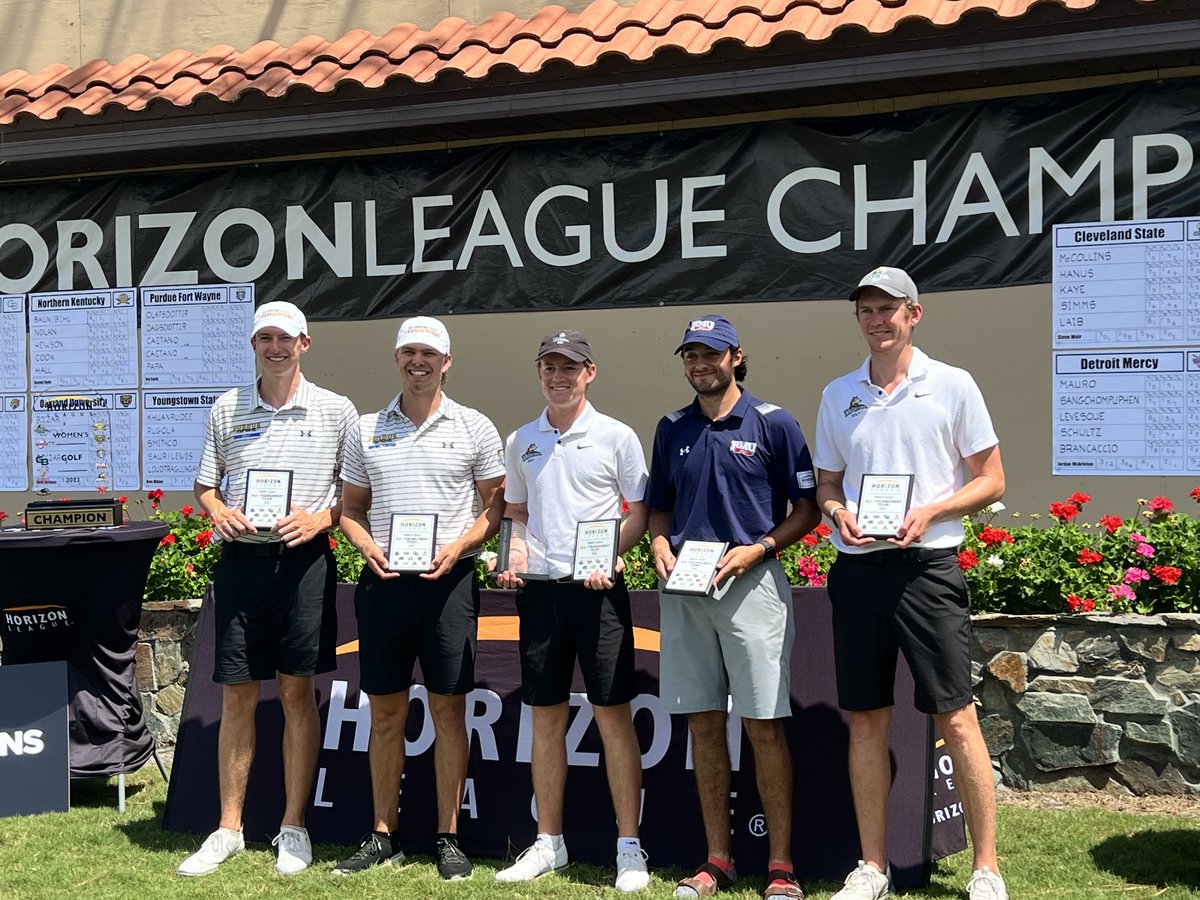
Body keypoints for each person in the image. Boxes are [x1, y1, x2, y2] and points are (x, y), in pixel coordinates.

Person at [812, 267, 1007, 900]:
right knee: (866, 722)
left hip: (929, 570)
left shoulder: (953, 385)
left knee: (957, 718)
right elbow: (827, 482)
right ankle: (872, 868)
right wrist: (837, 512)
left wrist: (933, 511)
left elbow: (992, 480)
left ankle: (986, 870)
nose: (876, 319)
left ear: (913, 314)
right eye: (865, 309)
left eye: (888, 309)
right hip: (860, 571)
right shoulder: (838, 393)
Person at [179, 301, 358, 877]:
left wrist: (321, 520)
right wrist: (219, 512)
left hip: (303, 566)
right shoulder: (227, 408)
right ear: (254, 345)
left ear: (305, 343)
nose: (275, 348)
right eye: (265, 340)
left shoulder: (336, 410)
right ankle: (229, 828)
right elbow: (206, 486)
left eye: (285, 339)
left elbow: (354, 497)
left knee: (298, 694)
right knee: (237, 694)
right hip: (242, 564)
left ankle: (293, 827)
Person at [647, 314, 819, 900]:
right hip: (688, 590)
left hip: (752, 585)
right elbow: (659, 508)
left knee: (763, 725)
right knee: (702, 723)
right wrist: (657, 545)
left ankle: (780, 866)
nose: (700, 364)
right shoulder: (671, 428)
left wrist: (760, 549)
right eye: (690, 355)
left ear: (736, 357)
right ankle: (717, 860)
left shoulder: (774, 423)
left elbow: (806, 508)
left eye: (711, 354)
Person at [332, 316, 505, 881]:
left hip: (448, 584)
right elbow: (350, 509)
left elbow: (493, 510)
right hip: (383, 585)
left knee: (448, 711)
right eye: (408, 352)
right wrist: (366, 547)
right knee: (383, 713)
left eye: (429, 353)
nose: (418, 361)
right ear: (397, 359)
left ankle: (448, 836)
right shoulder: (365, 427)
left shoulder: (476, 427)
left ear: (447, 362)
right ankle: (384, 834)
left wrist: (459, 547)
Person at [492, 329, 651, 893]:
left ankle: (629, 846)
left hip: (599, 592)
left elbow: (639, 510)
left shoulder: (616, 436)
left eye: (570, 368)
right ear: (539, 373)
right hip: (540, 593)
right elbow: (515, 509)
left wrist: (611, 554)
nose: (558, 377)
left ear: (590, 373)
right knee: (546, 718)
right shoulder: (521, 440)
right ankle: (548, 842)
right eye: (549, 367)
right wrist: (511, 552)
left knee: (612, 716)